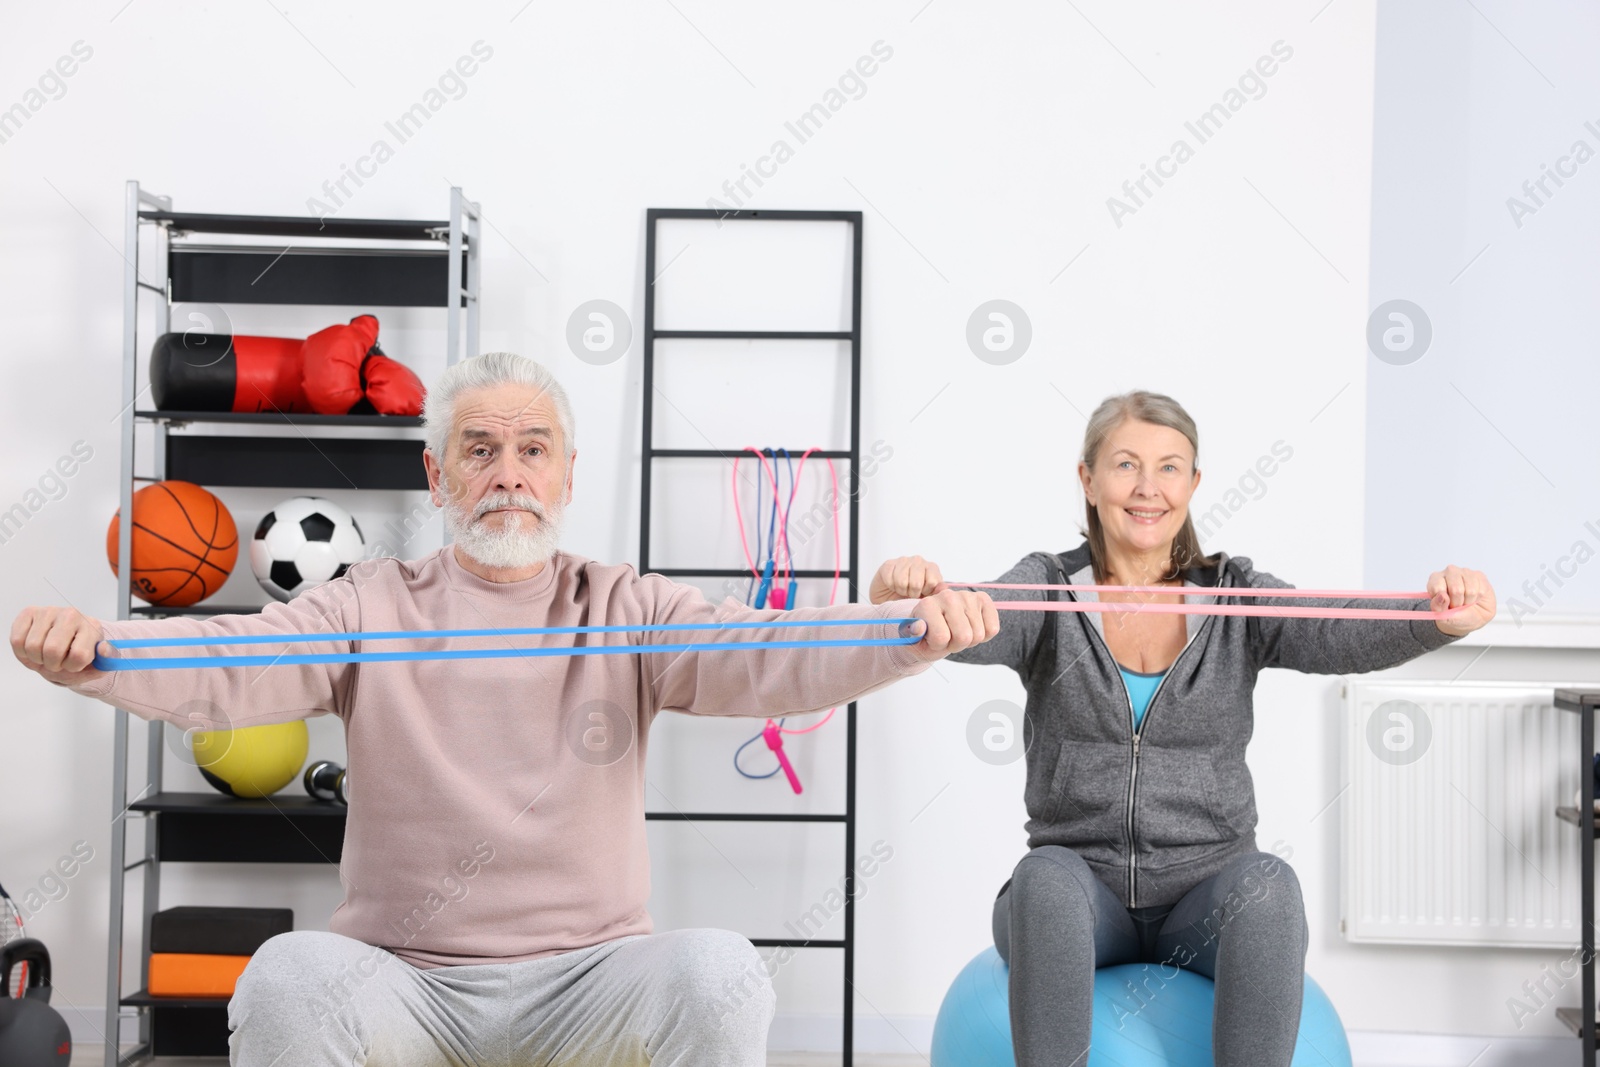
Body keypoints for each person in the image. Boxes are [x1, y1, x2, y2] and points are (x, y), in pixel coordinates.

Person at [10, 351, 1001, 1067]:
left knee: (722, 971)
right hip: (403, 977)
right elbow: (233, 662)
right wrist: (96, 654)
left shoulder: (625, 607)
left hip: (591, 976)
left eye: (533, 448)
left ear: (566, 474)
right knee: (284, 974)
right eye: (479, 449)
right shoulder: (367, 601)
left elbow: (766, 654)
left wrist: (904, 629)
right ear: (438, 475)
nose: (509, 472)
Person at [869, 389, 1495, 1067]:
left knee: (1270, 884)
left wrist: (1435, 619)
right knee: (1042, 877)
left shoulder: (1233, 595)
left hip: (1205, 895)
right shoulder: (1049, 589)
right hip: (1080, 892)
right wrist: (913, 600)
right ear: (1088, 477)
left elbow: (1336, 627)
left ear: (1194, 483)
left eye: (1169, 467)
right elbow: (975, 619)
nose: (1148, 487)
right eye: (1126, 464)